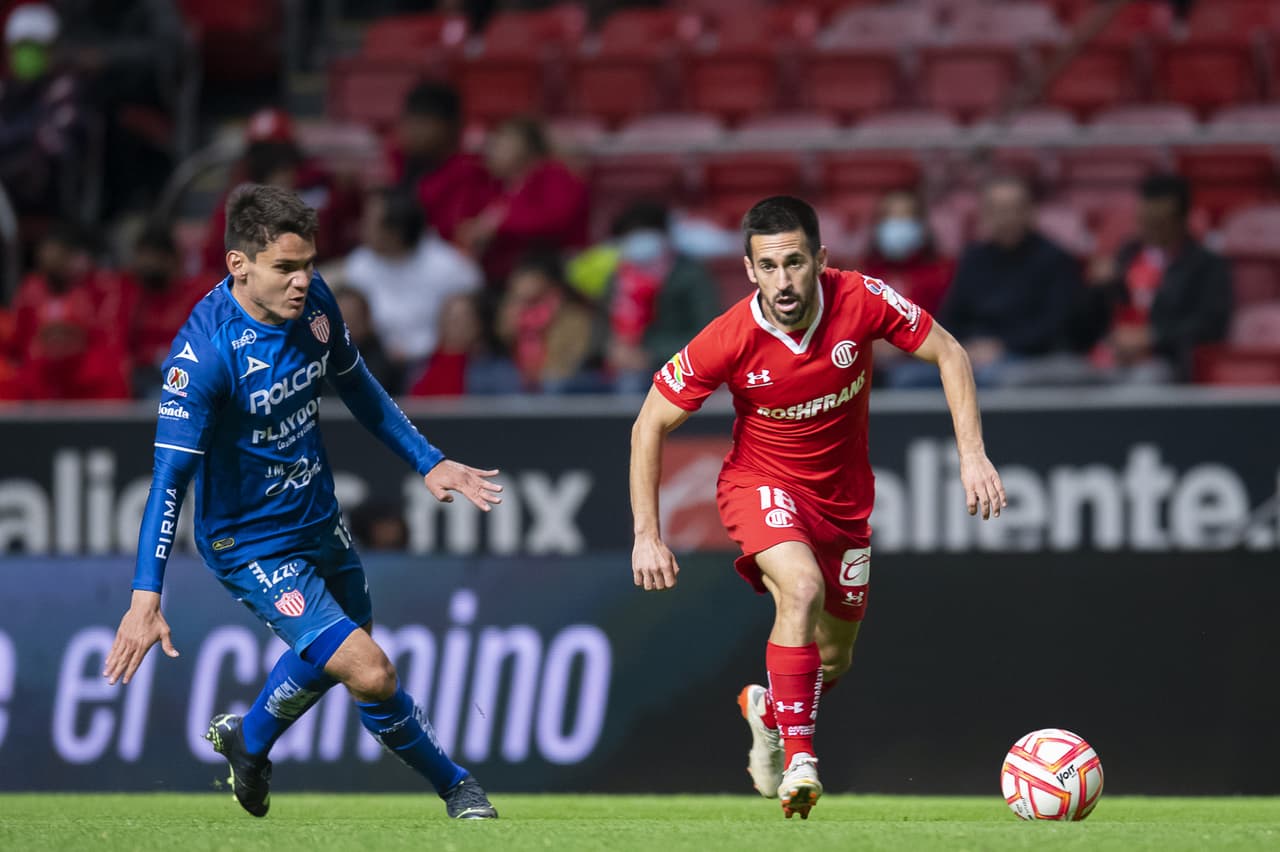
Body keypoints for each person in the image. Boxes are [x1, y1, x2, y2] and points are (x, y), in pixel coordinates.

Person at [102, 184, 503, 820]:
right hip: (249, 542)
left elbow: (358, 386)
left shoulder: (314, 303)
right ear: (239, 265)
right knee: (369, 670)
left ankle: (249, 739)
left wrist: (430, 462)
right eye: (286, 268)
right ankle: (458, 788)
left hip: (316, 514)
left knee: (344, 647)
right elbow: (169, 477)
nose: (302, 280)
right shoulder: (203, 354)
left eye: (309, 263)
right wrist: (145, 596)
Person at [629, 196, 1005, 819]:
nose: (783, 280)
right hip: (761, 486)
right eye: (768, 267)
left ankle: (770, 709)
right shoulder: (729, 337)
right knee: (799, 589)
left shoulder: (862, 298)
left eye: (795, 263)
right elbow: (649, 426)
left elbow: (951, 354)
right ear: (750, 270)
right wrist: (648, 533)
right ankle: (801, 758)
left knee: (835, 657)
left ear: (820, 259)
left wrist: (973, 456)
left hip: (844, 503)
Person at [897, 176, 1087, 388]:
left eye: (1014, 208)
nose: (1007, 217)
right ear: (985, 215)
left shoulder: (1055, 260)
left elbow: (1056, 325)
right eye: (998, 210)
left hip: (1027, 356)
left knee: (991, 379)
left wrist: (1002, 346)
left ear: (1030, 212)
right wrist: (967, 347)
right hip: (973, 353)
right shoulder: (973, 259)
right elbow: (950, 317)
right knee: (906, 378)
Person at [1078, 173, 1233, 382]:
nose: (1150, 229)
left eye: (1159, 222)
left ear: (1180, 219)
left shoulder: (1206, 265)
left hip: (1164, 362)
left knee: (1141, 383)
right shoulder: (1125, 255)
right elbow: (1086, 323)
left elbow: (1211, 325)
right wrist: (1096, 288)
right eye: (1145, 220)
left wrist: (1153, 337)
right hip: (1110, 355)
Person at [342, 187, 482, 381]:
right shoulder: (359, 265)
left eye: (370, 223)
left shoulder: (452, 268)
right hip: (373, 366)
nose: (362, 227)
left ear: (395, 232)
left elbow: (472, 327)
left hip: (435, 366)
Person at [201, 107, 362, 272]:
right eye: (266, 158)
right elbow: (214, 259)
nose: (275, 166)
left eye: (280, 156)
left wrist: (346, 192)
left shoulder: (319, 188)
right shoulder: (238, 200)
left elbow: (342, 235)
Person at [602, 200, 721, 393]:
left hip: (678, 374)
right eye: (631, 236)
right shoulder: (618, 278)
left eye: (644, 234)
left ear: (664, 235)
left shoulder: (691, 275)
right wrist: (611, 350)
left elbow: (707, 336)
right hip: (619, 372)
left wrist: (650, 355)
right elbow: (601, 328)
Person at [457, 116, 590, 286]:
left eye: (501, 142)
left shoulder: (556, 176)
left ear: (526, 147)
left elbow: (554, 220)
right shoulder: (499, 187)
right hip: (504, 276)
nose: (491, 150)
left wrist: (497, 225)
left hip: (555, 272)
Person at [0, 3, 88, 221]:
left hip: (44, 200)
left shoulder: (65, 91)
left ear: (53, 49)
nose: (27, 55)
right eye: (21, 47)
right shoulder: (4, 91)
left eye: (36, 47)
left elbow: (54, 147)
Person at [391, 80, 498, 243]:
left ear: (451, 127)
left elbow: (454, 238)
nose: (411, 131)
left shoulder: (469, 174)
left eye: (422, 123)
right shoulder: (397, 164)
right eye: (408, 121)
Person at [123, 225, 209, 394]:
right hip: (141, 374)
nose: (146, 264)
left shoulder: (200, 292)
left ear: (173, 259)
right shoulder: (130, 294)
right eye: (142, 256)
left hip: (185, 374)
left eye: (154, 257)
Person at [495, 250, 597, 393]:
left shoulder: (572, 315)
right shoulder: (514, 307)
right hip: (521, 378)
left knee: (552, 384)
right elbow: (504, 335)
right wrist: (516, 302)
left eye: (527, 275)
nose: (519, 281)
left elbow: (575, 357)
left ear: (546, 280)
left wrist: (543, 373)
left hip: (559, 381)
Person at [858, 189, 953, 316]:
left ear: (920, 225)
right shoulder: (863, 276)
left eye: (905, 216)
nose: (897, 224)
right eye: (890, 216)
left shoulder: (941, 276)